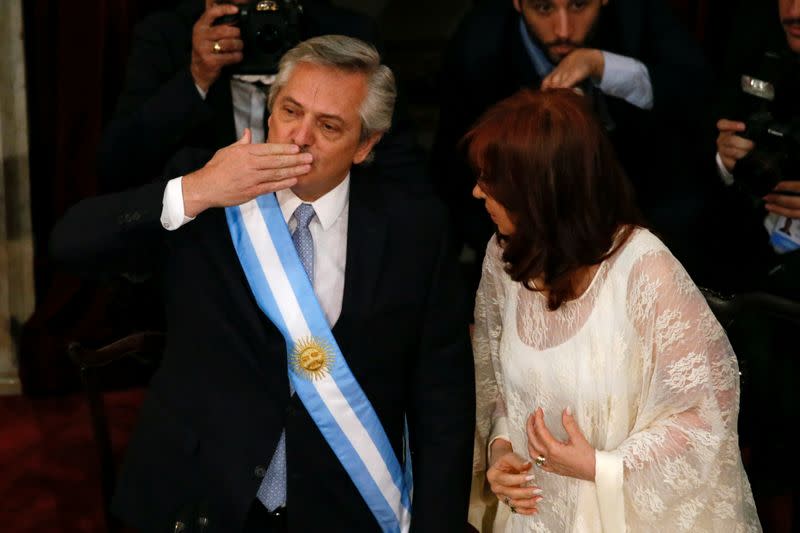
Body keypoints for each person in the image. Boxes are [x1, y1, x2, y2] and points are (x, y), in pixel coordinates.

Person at [52, 36, 474, 532]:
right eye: (291, 111)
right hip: (200, 498)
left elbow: (442, 399)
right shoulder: (207, 192)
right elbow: (69, 244)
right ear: (269, 110)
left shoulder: (413, 230)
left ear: (365, 145)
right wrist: (196, 191)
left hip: (343, 508)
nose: (299, 137)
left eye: (329, 126)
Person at [467, 88, 760, 532]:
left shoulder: (643, 269)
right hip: (535, 517)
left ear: (543, 192)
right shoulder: (504, 257)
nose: (476, 192)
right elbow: (498, 385)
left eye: (493, 181)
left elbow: (704, 418)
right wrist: (502, 449)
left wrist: (603, 467)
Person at [432, 0, 710, 295]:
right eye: (543, 9)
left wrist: (602, 65)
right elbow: (454, 170)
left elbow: (697, 95)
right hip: (523, 260)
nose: (563, 30)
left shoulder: (640, 17)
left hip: (647, 226)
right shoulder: (479, 45)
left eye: (579, 6)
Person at [98, 0, 424, 191]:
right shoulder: (168, 35)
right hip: (204, 234)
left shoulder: (345, 35)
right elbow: (118, 166)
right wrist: (195, 78)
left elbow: (401, 166)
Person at [713, 0, 800, 294]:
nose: (794, 11)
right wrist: (725, 159)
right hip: (747, 256)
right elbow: (706, 126)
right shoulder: (752, 32)